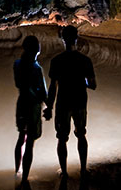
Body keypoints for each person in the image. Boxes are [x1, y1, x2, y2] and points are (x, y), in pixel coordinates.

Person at [43, 25, 97, 178]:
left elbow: (53, 86)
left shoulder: (57, 61)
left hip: (63, 103)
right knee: (81, 134)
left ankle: (64, 172)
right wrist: (82, 81)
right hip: (80, 101)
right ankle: (83, 169)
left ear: (63, 39)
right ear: (76, 38)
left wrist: (49, 107)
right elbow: (93, 85)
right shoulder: (85, 60)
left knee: (61, 138)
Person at [13, 35, 47, 183]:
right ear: (36, 49)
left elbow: (19, 84)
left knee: (21, 137)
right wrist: (49, 106)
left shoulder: (17, 64)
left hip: (21, 103)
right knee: (30, 142)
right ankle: (25, 178)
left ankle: (17, 171)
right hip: (33, 106)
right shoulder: (36, 68)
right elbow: (44, 93)